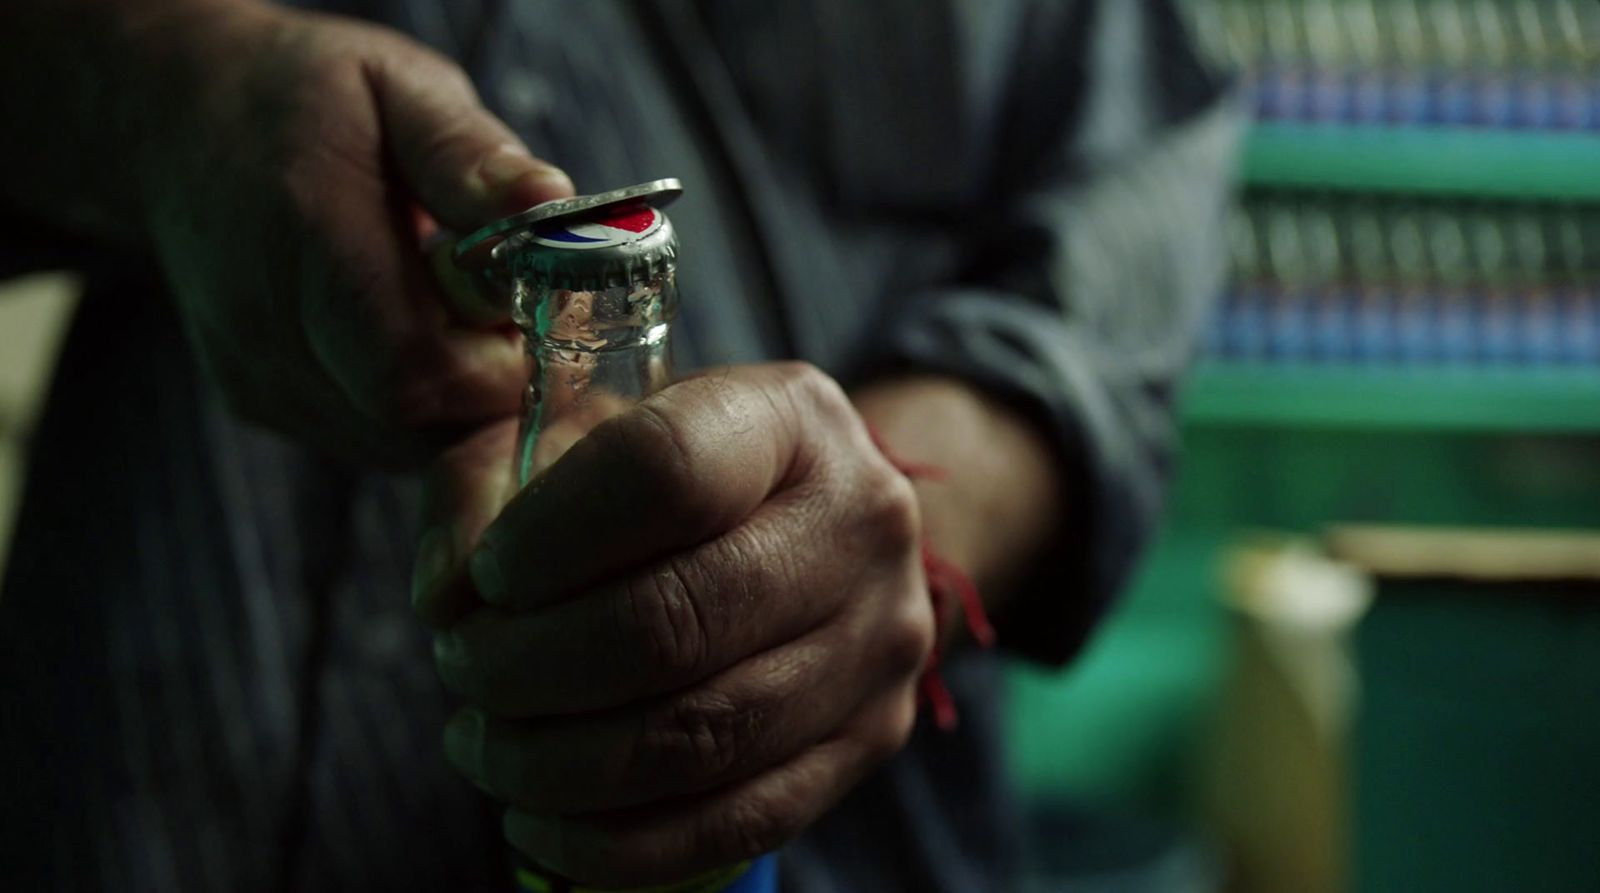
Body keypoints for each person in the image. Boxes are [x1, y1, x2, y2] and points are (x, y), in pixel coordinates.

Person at [0, 1, 1237, 890]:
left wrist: (861, 530)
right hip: (157, 778)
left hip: (815, 839)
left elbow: (1111, 275)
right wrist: (158, 86)